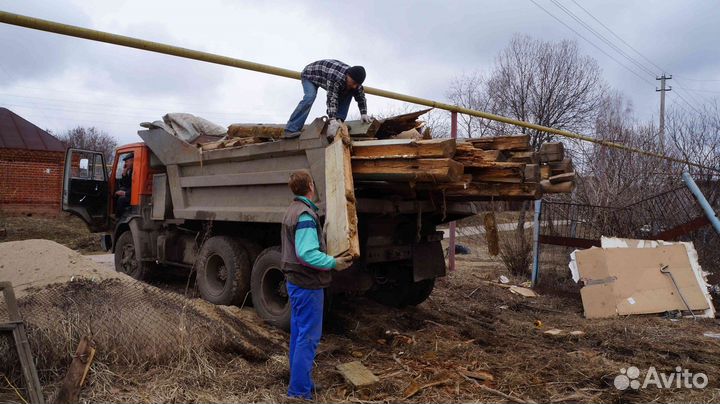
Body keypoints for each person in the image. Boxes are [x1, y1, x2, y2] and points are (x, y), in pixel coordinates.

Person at [281, 170, 353, 399]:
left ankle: (299, 382)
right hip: (307, 284)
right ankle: (299, 392)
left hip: (297, 282)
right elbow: (306, 254)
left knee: (299, 334)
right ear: (310, 186)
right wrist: (333, 263)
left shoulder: (293, 210)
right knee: (308, 337)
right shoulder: (304, 215)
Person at [283, 59, 371, 139]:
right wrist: (332, 119)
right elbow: (332, 98)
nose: (354, 85)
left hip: (325, 76)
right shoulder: (335, 77)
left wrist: (363, 113)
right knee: (310, 97)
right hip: (310, 75)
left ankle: (339, 121)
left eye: (357, 84)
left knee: (350, 90)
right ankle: (291, 129)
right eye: (353, 82)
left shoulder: (356, 85)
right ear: (348, 75)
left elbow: (361, 98)